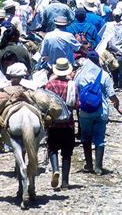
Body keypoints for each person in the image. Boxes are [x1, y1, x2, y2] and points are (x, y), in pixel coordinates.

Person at [74, 51, 121, 175]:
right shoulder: (104, 75)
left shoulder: (80, 74)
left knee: (85, 138)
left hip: (84, 112)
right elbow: (111, 95)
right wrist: (116, 103)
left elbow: (75, 91)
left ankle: (89, 164)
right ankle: (98, 167)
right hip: (101, 111)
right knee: (100, 138)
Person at [45, 58, 78, 189]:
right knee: (67, 153)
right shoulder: (72, 85)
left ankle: (55, 170)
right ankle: (65, 182)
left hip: (53, 123)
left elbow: (45, 103)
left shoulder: (49, 85)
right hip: (68, 123)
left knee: (52, 149)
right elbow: (77, 104)